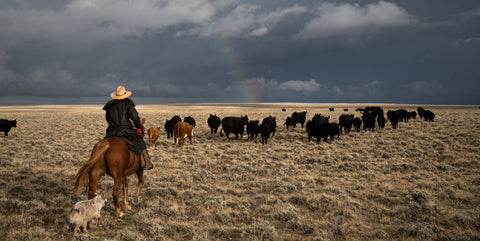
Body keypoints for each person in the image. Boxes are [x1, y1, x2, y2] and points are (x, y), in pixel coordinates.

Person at [103, 86, 153, 170]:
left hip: (111, 131)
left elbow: (108, 119)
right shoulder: (128, 104)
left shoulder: (110, 105)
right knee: (140, 141)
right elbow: (135, 118)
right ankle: (146, 163)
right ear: (125, 95)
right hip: (126, 131)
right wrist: (138, 126)